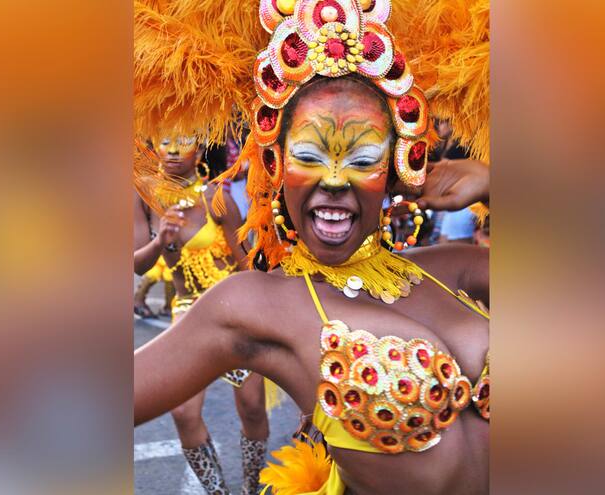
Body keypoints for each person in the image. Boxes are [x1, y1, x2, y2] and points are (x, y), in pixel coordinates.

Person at [133, 1, 490, 493]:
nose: (336, 180)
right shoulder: (255, 304)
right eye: (308, 155)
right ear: (276, 164)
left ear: (395, 169)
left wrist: (494, 186)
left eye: (364, 158)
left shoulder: (456, 269)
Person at [133, 135, 270, 495]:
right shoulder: (148, 199)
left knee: (253, 406)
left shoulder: (216, 196)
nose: (174, 149)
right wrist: (159, 241)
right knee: (183, 412)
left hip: (232, 312)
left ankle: (251, 488)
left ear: (200, 149)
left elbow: (244, 262)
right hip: (187, 312)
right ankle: (218, 492)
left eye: (184, 140)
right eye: (167, 140)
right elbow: (136, 263)